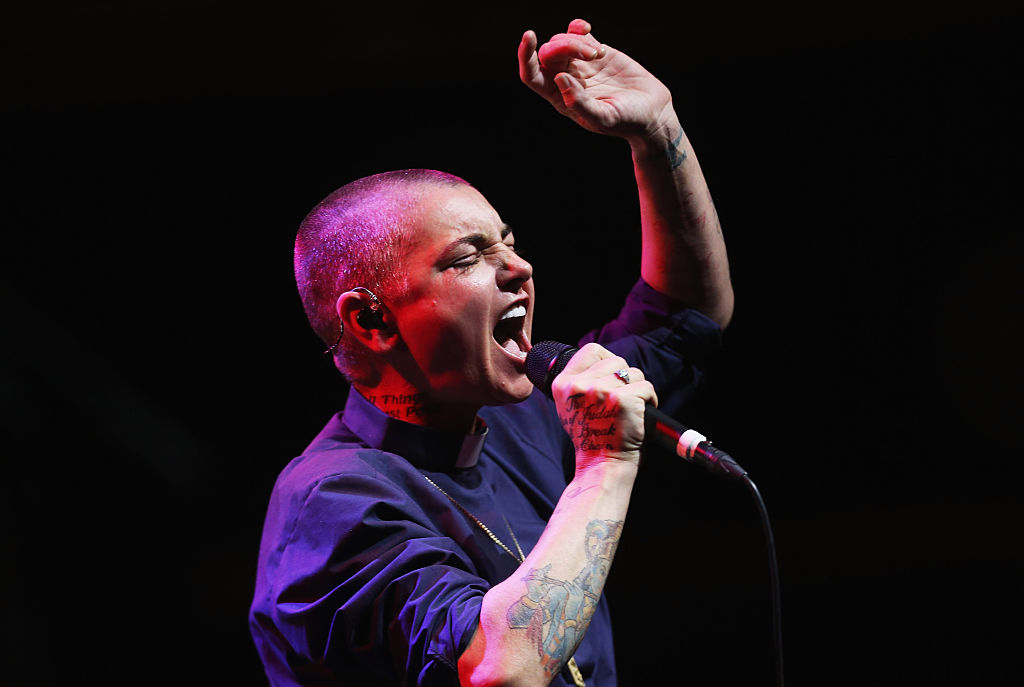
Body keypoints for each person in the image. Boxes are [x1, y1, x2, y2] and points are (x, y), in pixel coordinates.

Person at [249, 18, 734, 687]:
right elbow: (502, 671)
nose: (519, 268)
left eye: (508, 240)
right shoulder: (332, 498)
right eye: (468, 258)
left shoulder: (519, 416)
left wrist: (657, 134)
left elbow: (687, 316)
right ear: (370, 319)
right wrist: (605, 461)